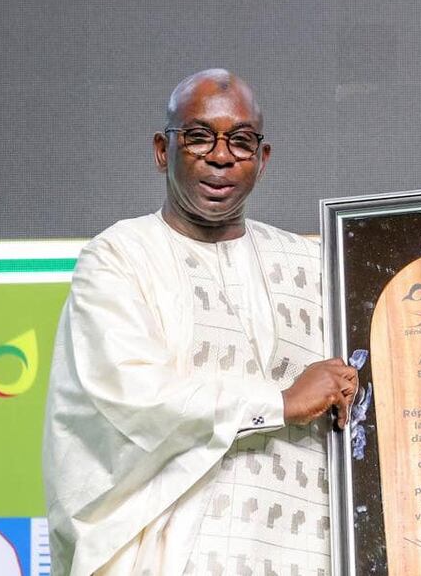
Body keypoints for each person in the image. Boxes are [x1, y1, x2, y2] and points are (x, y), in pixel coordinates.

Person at [42, 69, 357, 576]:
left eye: (241, 141)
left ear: (263, 158)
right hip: (177, 554)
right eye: (198, 136)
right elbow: (130, 392)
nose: (220, 155)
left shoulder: (314, 264)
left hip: (311, 550)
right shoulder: (120, 257)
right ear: (162, 151)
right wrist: (278, 403)